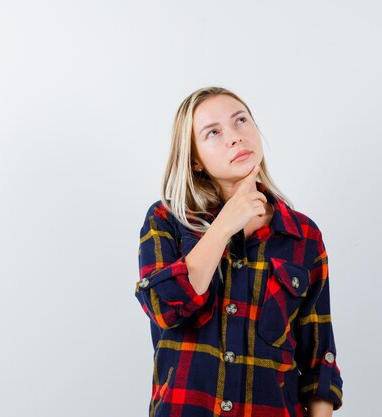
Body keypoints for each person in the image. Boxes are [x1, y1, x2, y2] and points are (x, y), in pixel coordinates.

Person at [134, 86, 344, 417]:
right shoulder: (166, 220)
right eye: (213, 132)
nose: (234, 137)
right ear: (195, 160)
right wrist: (223, 226)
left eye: (241, 121)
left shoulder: (303, 236)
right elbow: (165, 307)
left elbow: (319, 361)